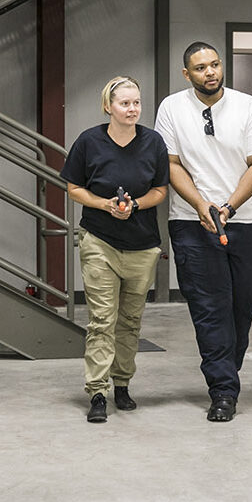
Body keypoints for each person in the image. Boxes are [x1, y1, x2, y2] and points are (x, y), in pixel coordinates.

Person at [153, 42, 252, 422]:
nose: (210, 72)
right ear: (187, 74)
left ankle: (227, 372)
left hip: (246, 220)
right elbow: (171, 164)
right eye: (200, 67)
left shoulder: (248, 107)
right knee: (210, 308)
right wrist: (201, 206)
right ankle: (223, 390)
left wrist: (229, 206)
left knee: (245, 299)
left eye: (215, 64)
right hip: (192, 223)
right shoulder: (172, 108)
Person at [61, 76, 169, 424]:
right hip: (99, 241)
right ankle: (97, 390)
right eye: (124, 103)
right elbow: (74, 188)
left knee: (130, 321)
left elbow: (160, 191)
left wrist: (134, 205)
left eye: (136, 102)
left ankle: (122, 384)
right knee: (102, 320)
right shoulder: (89, 142)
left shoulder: (153, 143)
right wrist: (105, 205)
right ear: (108, 106)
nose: (132, 109)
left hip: (142, 245)